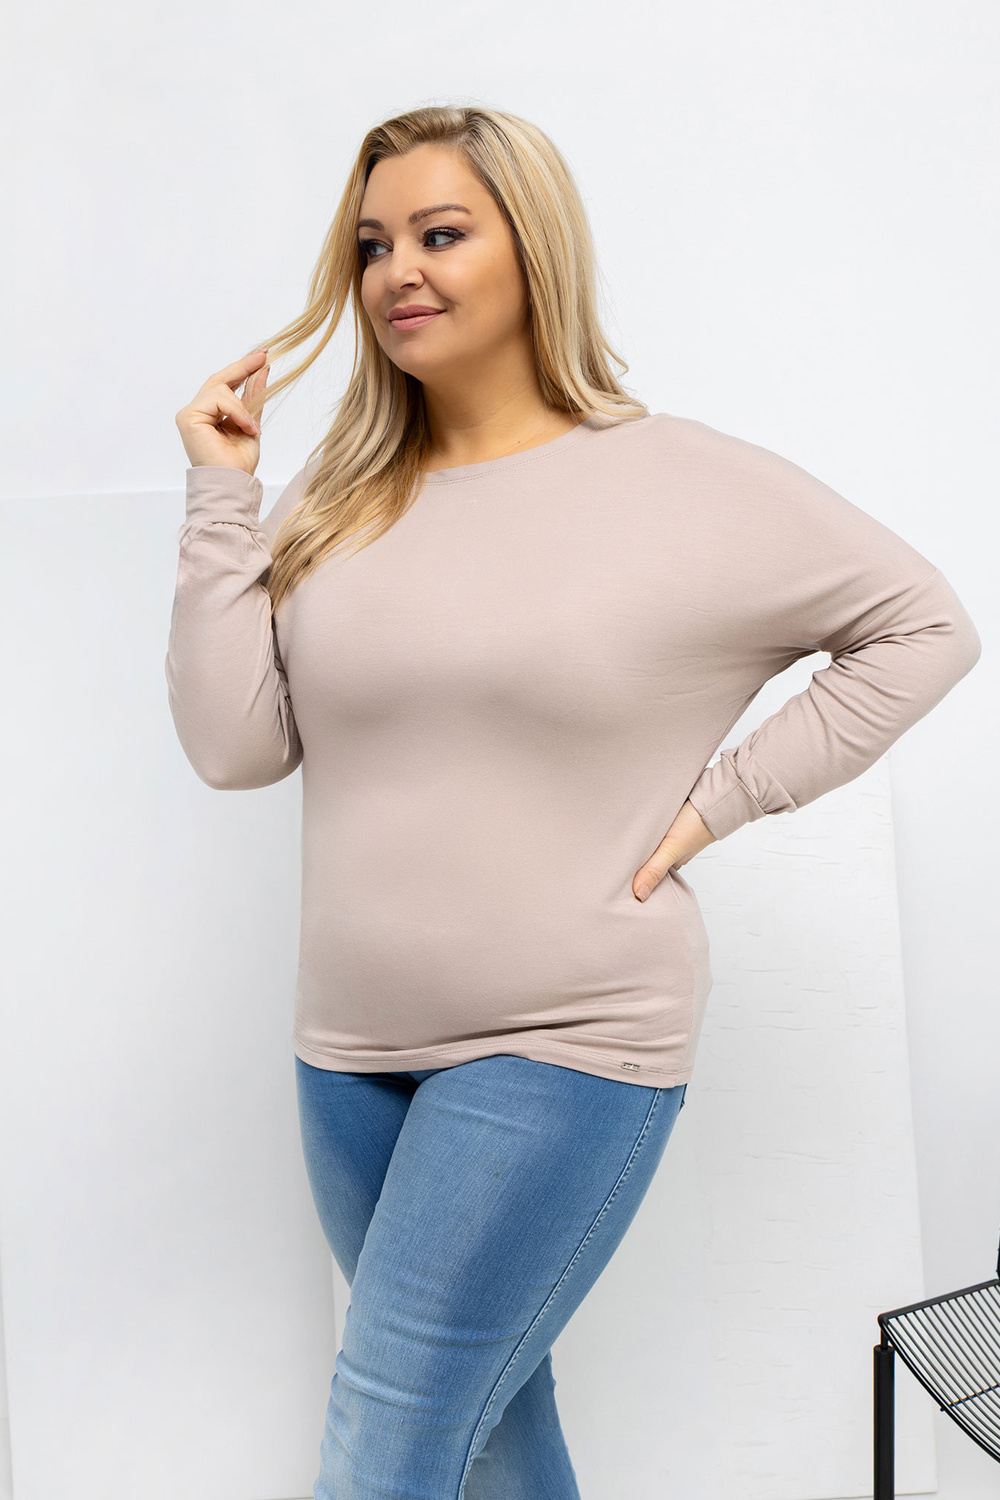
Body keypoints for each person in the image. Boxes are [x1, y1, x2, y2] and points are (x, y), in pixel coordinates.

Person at [166, 105, 981, 1499]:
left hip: (567, 1040)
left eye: (440, 233)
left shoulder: (680, 480)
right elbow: (235, 748)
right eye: (371, 245)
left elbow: (926, 627)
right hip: (347, 1050)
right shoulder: (338, 499)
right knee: (485, 1426)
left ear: (532, 247)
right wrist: (221, 497)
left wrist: (726, 800)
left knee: (387, 1432)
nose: (397, 272)